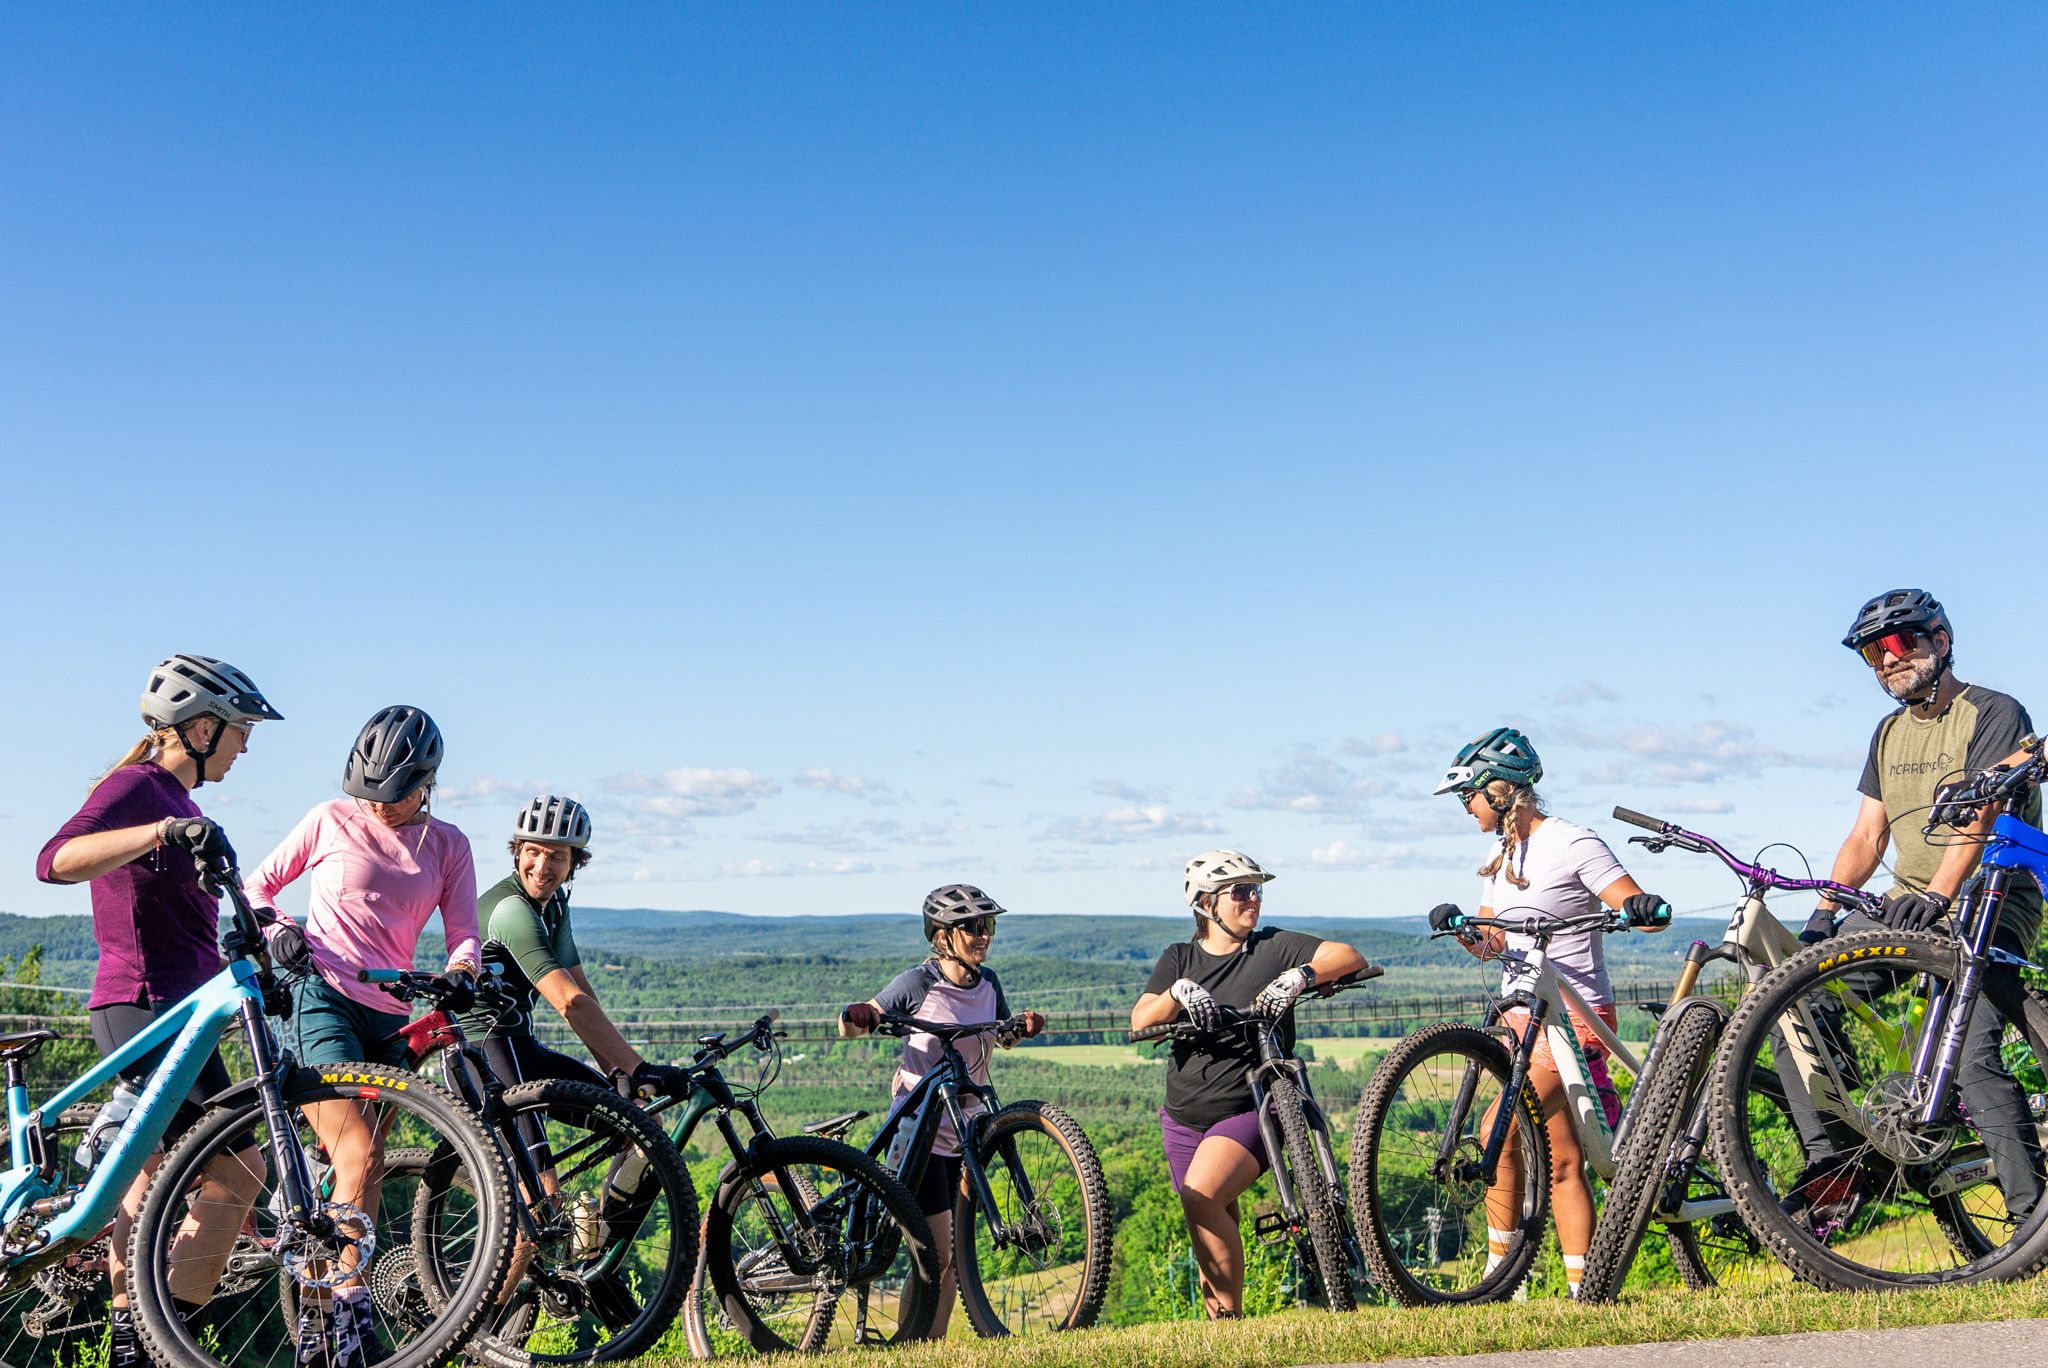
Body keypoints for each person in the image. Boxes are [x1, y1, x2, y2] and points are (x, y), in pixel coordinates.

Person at [35, 654, 283, 1368]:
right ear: (201, 727)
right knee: (238, 1170)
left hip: (183, 1012)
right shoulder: (137, 788)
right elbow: (54, 860)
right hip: (141, 1004)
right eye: (240, 731)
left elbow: (203, 927)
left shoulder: (189, 809)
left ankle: (143, 1340)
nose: (244, 746)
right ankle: (154, 1339)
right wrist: (158, 834)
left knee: (147, 1175)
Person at [243, 704, 482, 1367]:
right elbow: (255, 886)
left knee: (364, 1167)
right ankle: (342, 1320)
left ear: (426, 783)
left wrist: (462, 970)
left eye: (394, 795)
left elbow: (463, 933)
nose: (377, 807)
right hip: (318, 995)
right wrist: (275, 927)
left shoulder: (448, 845)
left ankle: (332, 1317)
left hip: (391, 1015)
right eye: (367, 794)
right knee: (360, 1158)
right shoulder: (329, 819)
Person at [1804, 588, 2046, 1225]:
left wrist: (1940, 893)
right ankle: (1839, 1161)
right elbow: (1866, 836)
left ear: (1941, 639)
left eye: (1898, 642)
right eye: (1871, 654)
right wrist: (1825, 914)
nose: (1886, 660)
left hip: (1989, 899)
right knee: (1798, 1000)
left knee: (1971, 1059)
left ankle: (2030, 1221)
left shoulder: (1993, 710)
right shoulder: (1886, 732)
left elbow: (1984, 814)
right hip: (1908, 905)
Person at [1426, 727, 1671, 1298]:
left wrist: (1639, 907)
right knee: (1562, 1159)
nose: (1468, 810)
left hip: (1574, 1017)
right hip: (1521, 1017)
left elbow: (1641, 908)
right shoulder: (1500, 853)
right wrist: (1464, 929)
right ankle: (1587, 1291)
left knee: (1497, 1130)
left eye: (1470, 797)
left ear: (1501, 789)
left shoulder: (1572, 842)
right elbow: (1493, 942)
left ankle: (1498, 1281)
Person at [1128, 851, 1370, 1319]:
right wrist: (1178, 992)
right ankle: (1227, 1331)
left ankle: (1234, 1321)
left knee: (1201, 1198)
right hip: (1182, 1117)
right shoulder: (1179, 958)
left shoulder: (1272, 947)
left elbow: (1348, 955)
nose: (1252, 899)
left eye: (1257, 889)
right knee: (1206, 1222)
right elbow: (1142, 1018)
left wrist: (1301, 976)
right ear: (1205, 904)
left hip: (1252, 1106)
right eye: (1240, 891)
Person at [837, 884, 1045, 1338]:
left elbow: (1001, 1036)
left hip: (969, 1133)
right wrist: (859, 1017)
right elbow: (855, 1022)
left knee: (951, 1255)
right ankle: (914, 1343)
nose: (983, 935)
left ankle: (925, 1346)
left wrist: (1022, 1028)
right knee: (938, 1252)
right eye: (971, 926)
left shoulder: (988, 983)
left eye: (987, 925)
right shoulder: (917, 983)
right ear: (942, 935)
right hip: (921, 1132)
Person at [457, 794, 690, 1098]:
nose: (541, 867)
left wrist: (617, 1072)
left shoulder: (554, 903)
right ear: (517, 853)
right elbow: (569, 1003)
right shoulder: (512, 909)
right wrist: (639, 1068)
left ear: (573, 864)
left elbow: (581, 991)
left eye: (556, 856)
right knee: (531, 1148)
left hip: (522, 1045)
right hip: (482, 1052)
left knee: (627, 1120)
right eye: (533, 852)